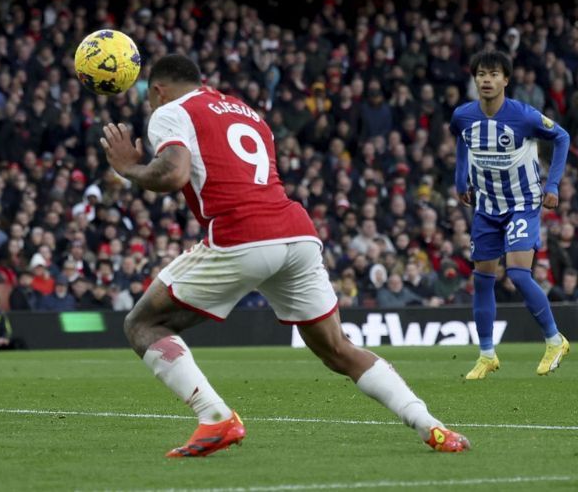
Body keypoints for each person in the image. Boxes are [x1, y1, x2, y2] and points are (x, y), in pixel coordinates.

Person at [104, 54, 468, 457]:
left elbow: (173, 174)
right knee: (339, 349)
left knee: (142, 323)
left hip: (241, 234)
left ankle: (214, 417)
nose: (152, 110)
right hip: (296, 233)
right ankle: (431, 426)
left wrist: (129, 168)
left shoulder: (171, 110)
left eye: (151, 101)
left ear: (159, 90)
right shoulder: (247, 111)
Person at [451, 49, 571, 379]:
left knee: (518, 274)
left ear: (506, 79)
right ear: (475, 79)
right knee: (483, 279)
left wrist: (553, 185)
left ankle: (554, 339)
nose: (486, 80)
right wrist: (460, 178)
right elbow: (461, 141)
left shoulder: (524, 116)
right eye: (481, 74)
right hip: (486, 207)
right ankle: (487, 354)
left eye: (493, 74)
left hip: (523, 202)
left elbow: (562, 137)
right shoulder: (463, 115)